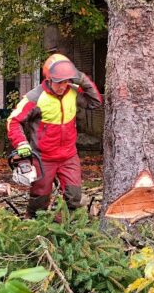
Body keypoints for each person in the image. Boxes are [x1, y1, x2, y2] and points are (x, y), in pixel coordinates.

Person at [7, 54, 102, 218]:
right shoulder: (35, 98)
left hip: (68, 156)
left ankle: (65, 227)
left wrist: (82, 79)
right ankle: (33, 225)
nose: (63, 86)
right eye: (59, 82)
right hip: (43, 157)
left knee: (74, 196)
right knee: (40, 197)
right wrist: (21, 144)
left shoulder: (72, 92)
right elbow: (13, 121)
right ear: (49, 79)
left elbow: (95, 102)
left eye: (67, 81)